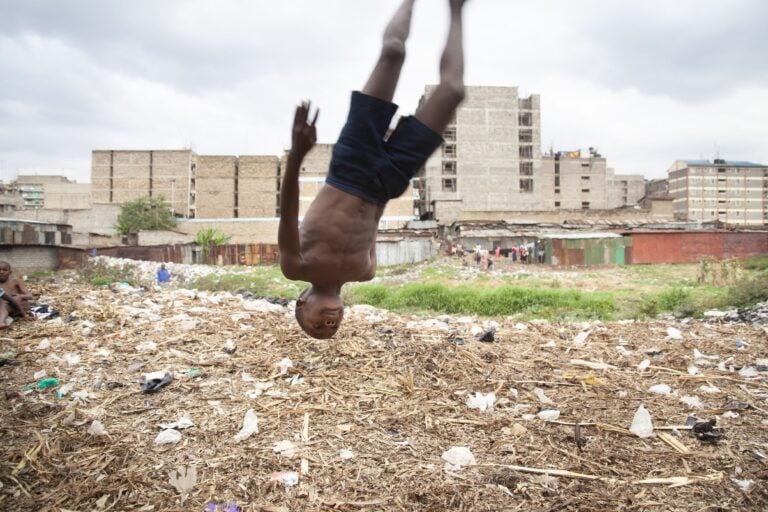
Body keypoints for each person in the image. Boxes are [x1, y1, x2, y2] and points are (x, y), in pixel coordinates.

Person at [279, 0, 467, 339]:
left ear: (301, 305)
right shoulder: (365, 272)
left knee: (393, 52)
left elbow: (288, 210)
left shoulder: (296, 267)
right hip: (389, 180)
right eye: (332, 327)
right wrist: (397, 152)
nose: (329, 322)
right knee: (453, 91)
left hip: (351, 167)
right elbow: (373, 220)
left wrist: (297, 154)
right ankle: (456, 9)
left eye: (317, 324)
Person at [0, 261, 31, 327]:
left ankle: (1, 322)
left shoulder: (15, 281)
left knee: (14, 299)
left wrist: (21, 296)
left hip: (17, 306)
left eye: (4, 270)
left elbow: (30, 296)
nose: (1, 272)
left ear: (10, 272)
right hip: (3, 306)